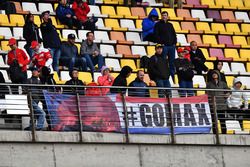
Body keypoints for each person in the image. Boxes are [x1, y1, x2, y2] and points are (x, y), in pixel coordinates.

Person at [154, 11, 177, 79]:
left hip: (171, 46)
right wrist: (161, 43)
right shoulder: (158, 24)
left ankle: (172, 76)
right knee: (163, 61)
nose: (164, 16)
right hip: (164, 46)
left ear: (167, 16)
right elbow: (156, 35)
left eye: (165, 15)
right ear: (161, 16)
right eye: (163, 15)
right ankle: (164, 74)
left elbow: (174, 34)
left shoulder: (170, 24)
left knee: (172, 62)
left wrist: (174, 43)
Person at [206, 70, 229, 134]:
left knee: (222, 121)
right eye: (213, 74)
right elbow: (207, 93)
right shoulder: (209, 84)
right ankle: (215, 134)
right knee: (214, 121)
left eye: (215, 73)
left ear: (218, 75)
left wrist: (227, 94)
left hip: (221, 105)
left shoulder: (223, 83)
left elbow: (228, 90)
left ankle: (224, 134)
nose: (214, 74)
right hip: (213, 105)